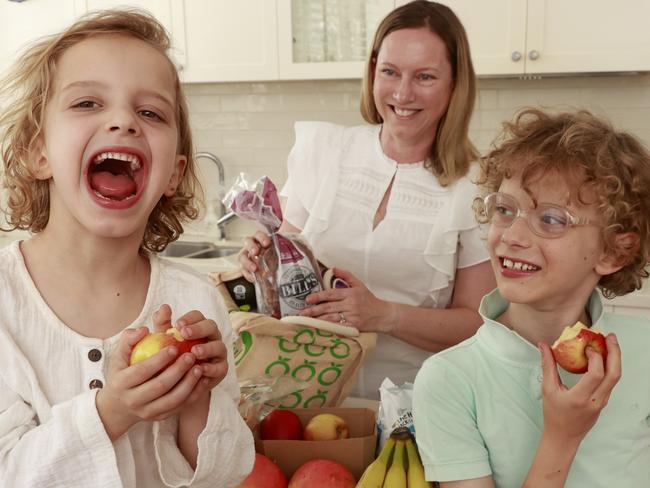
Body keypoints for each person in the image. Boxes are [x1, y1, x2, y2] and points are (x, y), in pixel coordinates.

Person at [0, 9, 253, 488]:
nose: (123, 121)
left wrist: (197, 399)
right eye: (87, 103)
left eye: (151, 112)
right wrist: (111, 412)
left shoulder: (194, 302)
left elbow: (225, 474)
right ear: (39, 153)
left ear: (173, 174)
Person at [238, 0, 496, 399]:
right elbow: (289, 275)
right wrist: (264, 262)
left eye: (425, 76)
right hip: (304, 394)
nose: (403, 93)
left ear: (455, 84)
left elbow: (477, 325)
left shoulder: (476, 188)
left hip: (416, 404)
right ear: (373, 71)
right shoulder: (323, 152)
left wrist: (385, 315)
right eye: (390, 72)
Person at [412, 107, 650, 487]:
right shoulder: (450, 380)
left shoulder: (645, 350)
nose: (512, 236)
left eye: (552, 219)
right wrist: (562, 436)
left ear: (614, 253)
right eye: (505, 210)